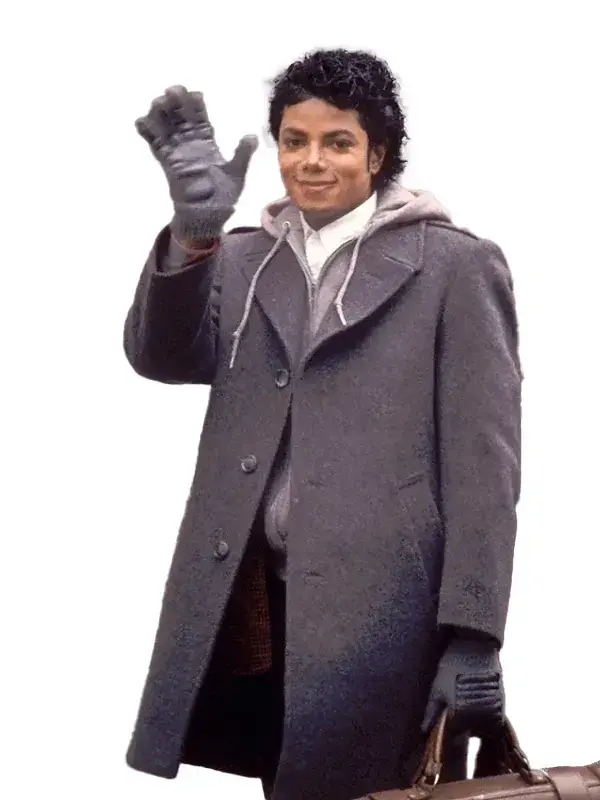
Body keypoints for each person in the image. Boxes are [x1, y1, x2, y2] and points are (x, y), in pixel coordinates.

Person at [123, 48, 523, 800]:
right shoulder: (242, 258)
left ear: (378, 154)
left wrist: (476, 635)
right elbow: (163, 357)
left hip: (387, 617)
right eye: (294, 140)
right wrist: (193, 234)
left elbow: (486, 470)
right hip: (254, 602)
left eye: (338, 142)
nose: (311, 161)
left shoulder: (455, 268)